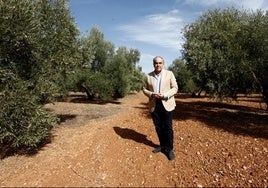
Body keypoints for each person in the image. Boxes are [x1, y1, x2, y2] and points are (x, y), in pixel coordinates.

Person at [143, 56, 178, 161]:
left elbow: (175, 88)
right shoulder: (148, 76)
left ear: (163, 64)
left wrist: (165, 95)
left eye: (160, 63)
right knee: (158, 126)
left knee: (167, 127)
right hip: (154, 104)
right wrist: (151, 94)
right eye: (156, 63)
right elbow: (144, 89)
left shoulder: (169, 74)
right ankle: (162, 146)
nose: (158, 65)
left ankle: (169, 149)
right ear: (153, 64)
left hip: (166, 103)